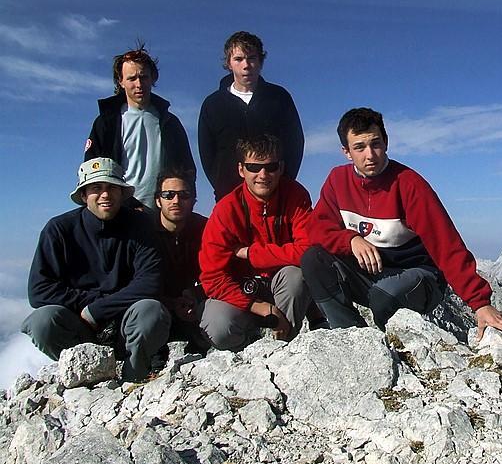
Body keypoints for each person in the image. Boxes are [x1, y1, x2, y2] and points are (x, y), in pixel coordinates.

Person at [301, 107, 502, 340]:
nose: (370, 155)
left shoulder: (409, 185)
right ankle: (352, 339)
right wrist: (350, 240)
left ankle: (397, 343)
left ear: (386, 142)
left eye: (375, 144)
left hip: (418, 277)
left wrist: (480, 303)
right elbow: (317, 228)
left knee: (384, 296)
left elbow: (446, 245)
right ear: (346, 152)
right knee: (313, 260)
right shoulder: (338, 181)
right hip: (374, 275)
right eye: (359, 147)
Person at [21, 158, 170, 381]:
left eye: (112, 187)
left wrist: (97, 310)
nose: (105, 195)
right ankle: (86, 375)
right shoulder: (59, 230)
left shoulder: (141, 225)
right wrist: (90, 307)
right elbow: (39, 290)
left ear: (122, 193)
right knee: (42, 321)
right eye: (96, 188)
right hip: (80, 327)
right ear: (83, 196)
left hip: (126, 325)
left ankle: (134, 375)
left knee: (151, 311)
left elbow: (151, 282)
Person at [198, 136, 313, 350]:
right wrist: (258, 307)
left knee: (296, 276)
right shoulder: (225, 210)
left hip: (280, 284)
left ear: (281, 168)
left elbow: (307, 251)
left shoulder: (296, 196)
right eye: (253, 167)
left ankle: (283, 348)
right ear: (241, 169)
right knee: (218, 326)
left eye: (271, 167)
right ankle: (250, 351)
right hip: (241, 291)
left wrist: (251, 254)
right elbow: (212, 277)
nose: (263, 175)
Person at [85, 44, 195, 209]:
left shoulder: (170, 122)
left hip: (163, 211)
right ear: (121, 81)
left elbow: (186, 169)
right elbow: (92, 171)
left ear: (152, 78)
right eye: (132, 78)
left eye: (143, 77)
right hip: (120, 210)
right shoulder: (106, 123)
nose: (139, 84)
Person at [198, 31, 304, 201]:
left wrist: (284, 180)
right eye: (238, 59)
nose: (246, 65)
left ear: (260, 61)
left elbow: (295, 143)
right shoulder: (213, 104)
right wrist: (221, 184)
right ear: (229, 63)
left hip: (276, 194)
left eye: (252, 58)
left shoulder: (279, 98)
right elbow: (207, 153)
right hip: (229, 195)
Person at [152, 169, 208, 351]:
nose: (176, 201)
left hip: (196, 304)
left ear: (194, 201)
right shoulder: (143, 232)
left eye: (184, 195)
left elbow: (219, 272)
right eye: (168, 195)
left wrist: (196, 295)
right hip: (157, 306)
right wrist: (171, 303)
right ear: (158, 200)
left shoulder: (206, 229)